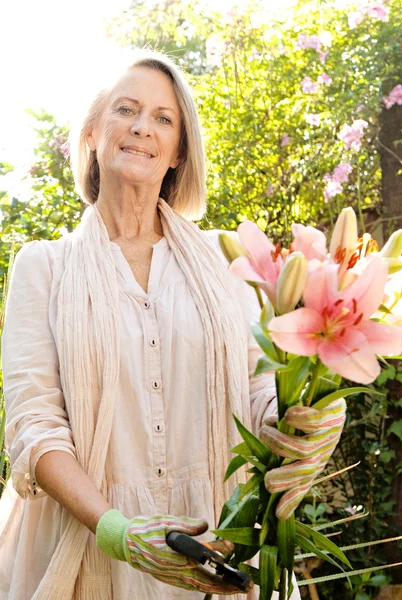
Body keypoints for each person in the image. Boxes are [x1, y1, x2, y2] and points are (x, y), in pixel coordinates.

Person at [0, 50, 287, 600]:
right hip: (87, 544)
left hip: (215, 540)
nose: (141, 127)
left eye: (163, 118)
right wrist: (119, 533)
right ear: (90, 133)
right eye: (125, 109)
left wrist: (303, 421)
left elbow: (259, 392)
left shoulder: (228, 261)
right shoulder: (44, 266)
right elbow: (35, 425)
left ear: (179, 150)